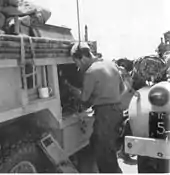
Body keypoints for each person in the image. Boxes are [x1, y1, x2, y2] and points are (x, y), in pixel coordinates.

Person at [69, 42, 130, 173]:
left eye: (76, 62)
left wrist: (71, 89)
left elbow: (84, 99)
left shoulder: (91, 72)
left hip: (104, 115)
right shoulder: (111, 65)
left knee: (104, 156)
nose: (77, 66)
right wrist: (108, 96)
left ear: (82, 58)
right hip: (117, 111)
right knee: (108, 149)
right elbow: (123, 89)